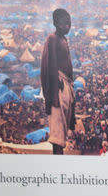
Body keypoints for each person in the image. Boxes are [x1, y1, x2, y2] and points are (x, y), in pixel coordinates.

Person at [41, 8, 76, 155]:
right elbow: (50, 66)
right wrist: (53, 95)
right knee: (57, 134)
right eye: (64, 23)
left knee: (63, 128)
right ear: (56, 24)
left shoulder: (64, 39)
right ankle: (57, 161)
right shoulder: (52, 39)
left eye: (69, 23)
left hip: (66, 85)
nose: (67, 26)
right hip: (58, 88)